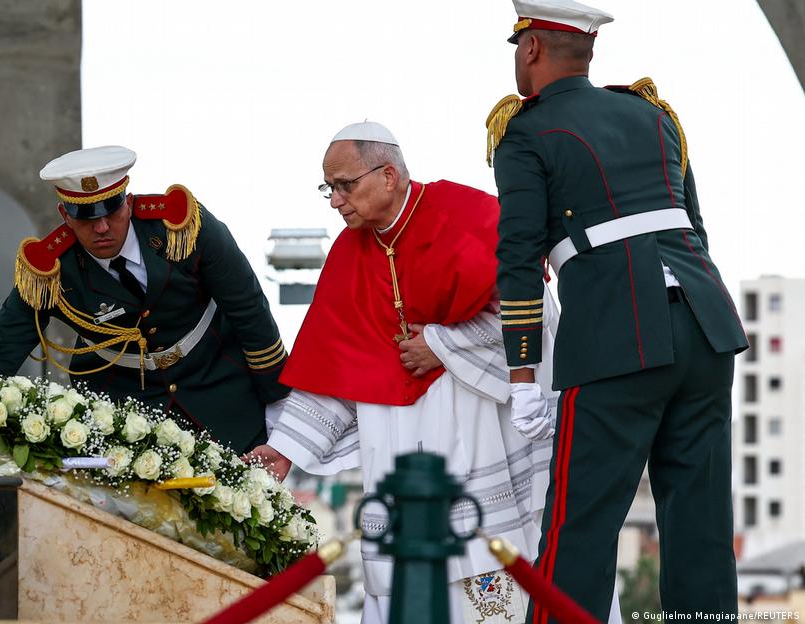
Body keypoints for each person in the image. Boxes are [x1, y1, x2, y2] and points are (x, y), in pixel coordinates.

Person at [487, 0, 749, 620]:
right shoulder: (652, 116)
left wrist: (522, 373)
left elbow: (519, 259)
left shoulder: (525, 132)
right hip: (708, 327)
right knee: (701, 526)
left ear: (531, 49)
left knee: (578, 527)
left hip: (617, 337)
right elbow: (696, 230)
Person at [246, 121, 561, 623]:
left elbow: (530, 309)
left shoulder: (467, 214)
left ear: (388, 175)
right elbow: (339, 369)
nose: (335, 201)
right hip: (391, 435)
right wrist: (283, 450)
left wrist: (442, 343)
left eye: (345, 185)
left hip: (471, 417)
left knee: (485, 576)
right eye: (329, 188)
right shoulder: (349, 254)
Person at [0, 146, 290, 454]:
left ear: (130, 202)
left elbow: (248, 309)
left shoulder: (183, 226)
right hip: (124, 419)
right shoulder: (49, 270)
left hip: (223, 396)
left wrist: (280, 411)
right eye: (85, 217)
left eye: (111, 210)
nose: (102, 227)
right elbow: (2, 349)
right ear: (64, 215)